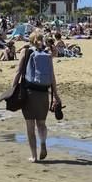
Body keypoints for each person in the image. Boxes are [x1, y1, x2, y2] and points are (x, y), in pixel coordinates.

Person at [12, 31, 61, 162]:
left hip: (29, 93)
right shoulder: (47, 54)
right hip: (44, 93)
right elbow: (52, 76)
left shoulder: (26, 52)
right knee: (41, 123)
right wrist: (55, 95)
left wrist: (13, 88)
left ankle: (34, 156)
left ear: (31, 40)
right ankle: (43, 144)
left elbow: (18, 72)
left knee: (30, 126)